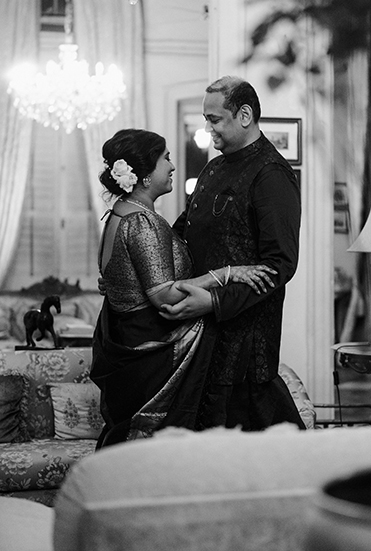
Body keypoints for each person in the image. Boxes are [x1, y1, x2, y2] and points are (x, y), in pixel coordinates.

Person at [90, 128, 276, 447]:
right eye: (166, 158)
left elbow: (120, 276)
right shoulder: (142, 222)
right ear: (145, 175)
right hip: (150, 352)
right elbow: (165, 296)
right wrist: (228, 274)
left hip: (126, 338)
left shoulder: (119, 212)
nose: (173, 165)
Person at [160, 76, 305, 431]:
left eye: (214, 119)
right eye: (206, 119)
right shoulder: (213, 168)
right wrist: (136, 264)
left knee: (250, 448)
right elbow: (182, 231)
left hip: (246, 346)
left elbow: (279, 265)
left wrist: (213, 302)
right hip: (201, 336)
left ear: (244, 115)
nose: (207, 128)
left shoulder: (271, 174)